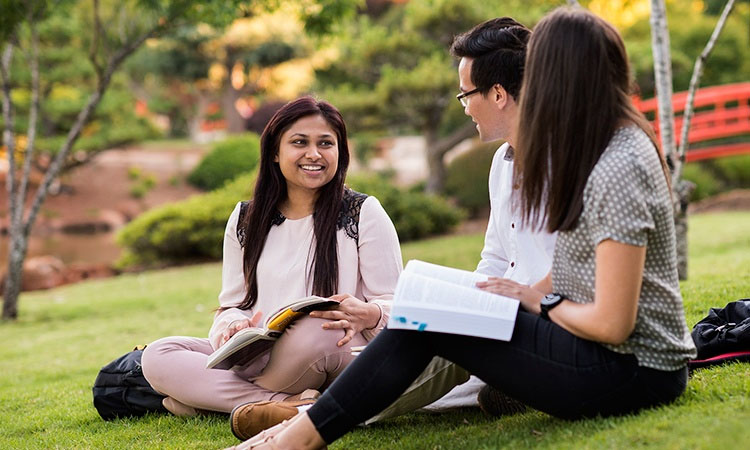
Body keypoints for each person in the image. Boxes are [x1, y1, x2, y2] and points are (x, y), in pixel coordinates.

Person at [231, 7, 697, 449]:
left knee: (429, 322)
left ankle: (302, 432)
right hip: (599, 354)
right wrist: (498, 299)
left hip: (633, 372)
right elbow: (582, 262)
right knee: (429, 313)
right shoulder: (596, 148)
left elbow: (614, 324)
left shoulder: (617, 162)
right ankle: (306, 427)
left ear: (562, 78)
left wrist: (537, 301)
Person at [141, 96, 402, 439]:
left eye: (326, 143)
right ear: (275, 153)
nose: (314, 154)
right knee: (159, 354)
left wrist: (366, 313)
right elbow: (232, 304)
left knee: (318, 329)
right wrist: (234, 326)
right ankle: (292, 405)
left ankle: (204, 401)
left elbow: (399, 305)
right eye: (299, 142)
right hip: (262, 352)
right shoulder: (246, 219)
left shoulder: (363, 212)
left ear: (340, 152)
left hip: (336, 350)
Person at [368, 17, 555, 423]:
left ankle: (309, 413)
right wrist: (465, 298)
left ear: (499, 94)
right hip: (506, 314)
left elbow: (579, 269)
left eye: (466, 94)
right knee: (433, 362)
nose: (465, 105)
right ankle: (516, 386)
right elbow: (494, 258)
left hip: (548, 319)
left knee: (431, 354)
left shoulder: (564, 161)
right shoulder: (501, 163)